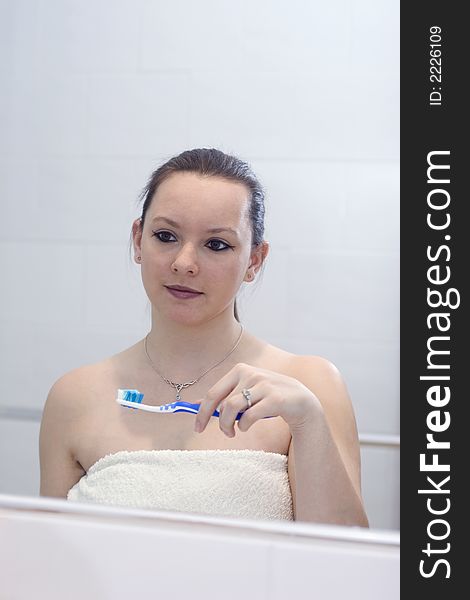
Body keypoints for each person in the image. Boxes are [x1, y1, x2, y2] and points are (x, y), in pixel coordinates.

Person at [39, 148, 369, 526]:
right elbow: (51, 562)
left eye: (216, 244)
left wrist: (308, 422)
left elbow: (345, 564)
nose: (184, 262)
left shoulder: (309, 385)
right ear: (137, 240)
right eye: (165, 236)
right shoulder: (75, 396)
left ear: (255, 261)